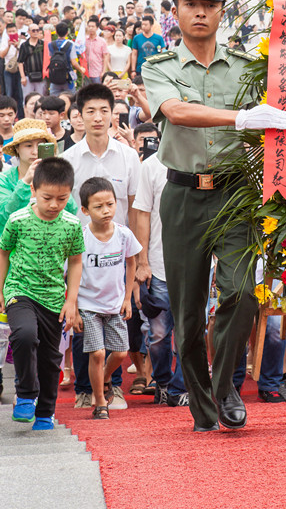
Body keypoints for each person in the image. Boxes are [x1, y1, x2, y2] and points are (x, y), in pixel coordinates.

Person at [142, 0, 286, 433]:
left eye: (210, 3)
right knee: (186, 315)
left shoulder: (247, 67)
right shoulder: (159, 65)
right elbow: (176, 111)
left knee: (243, 293)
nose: (201, 11)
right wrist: (239, 118)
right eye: (191, 3)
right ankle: (203, 406)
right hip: (184, 196)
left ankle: (224, 382)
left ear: (223, 11)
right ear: (176, 9)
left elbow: (277, 114)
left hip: (234, 196)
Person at [63, 83, 141, 410]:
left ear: (113, 114)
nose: (97, 117)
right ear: (78, 116)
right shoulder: (68, 160)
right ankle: (85, 389)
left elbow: (136, 208)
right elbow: (64, 213)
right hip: (81, 256)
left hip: (117, 253)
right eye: (90, 111)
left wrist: (139, 261)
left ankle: (112, 385)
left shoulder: (128, 157)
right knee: (84, 323)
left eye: (104, 111)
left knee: (117, 321)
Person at [0, 157, 84, 429]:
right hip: (19, 290)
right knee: (24, 335)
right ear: (33, 191)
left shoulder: (71, 224)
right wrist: (1, 290)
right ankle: (25, 394)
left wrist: (71, 301)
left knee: (51, 359)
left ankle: (45, 412)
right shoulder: (18, 219)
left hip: (54, 297)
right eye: (47, 197)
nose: (53, 205)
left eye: (62, 198)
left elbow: (75, 261)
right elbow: (3, 252)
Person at [75, 177, 142, 419]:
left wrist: (127, 298)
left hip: (115, 304)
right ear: (85, 210)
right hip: (88, 304)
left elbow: (131, 261)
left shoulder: (123, 234)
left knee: (121, 352)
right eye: (98, 206)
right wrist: (72, 306)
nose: (106, 211)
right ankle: (100, 402)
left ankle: (103, 378)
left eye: (110, 204)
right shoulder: (80, 237)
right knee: (98, 353)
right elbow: (70, 272)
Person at [133, 138, 189, 406]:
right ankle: (163, 380)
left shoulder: (203, 162)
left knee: (192, 332)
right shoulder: (152, 166)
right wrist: (142, 262)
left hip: (196, 265)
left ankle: (182, 386)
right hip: (159, 262)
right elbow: (142, 214)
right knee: (158, 334)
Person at [0, 119, 78, 234]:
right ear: (17, 148)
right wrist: (25, 182)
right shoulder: (5, 179)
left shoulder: (54, 176)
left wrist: (54, 176)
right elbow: (4, 216)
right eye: (28, 145)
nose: (35, 151)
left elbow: (71, 210)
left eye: (40, 145)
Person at [17, 23, 46, 98]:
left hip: (41, 76)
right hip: (28, 76)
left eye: (37, 30)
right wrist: (23, 77)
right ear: (29, 31)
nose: (36, 32)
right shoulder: (24, 45)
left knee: (41, 98)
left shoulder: (43, 44)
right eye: (33, 30)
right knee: (27, 98)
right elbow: (20, 62)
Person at [85, 16, 110, 83]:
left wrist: (104, 72)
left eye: (93, 26)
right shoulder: (84, 40)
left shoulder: (102, 41)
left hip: (97, 72)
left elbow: (105, 57)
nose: (90, 28)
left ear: (97, 28)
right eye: (89, 26)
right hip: (85, 72)